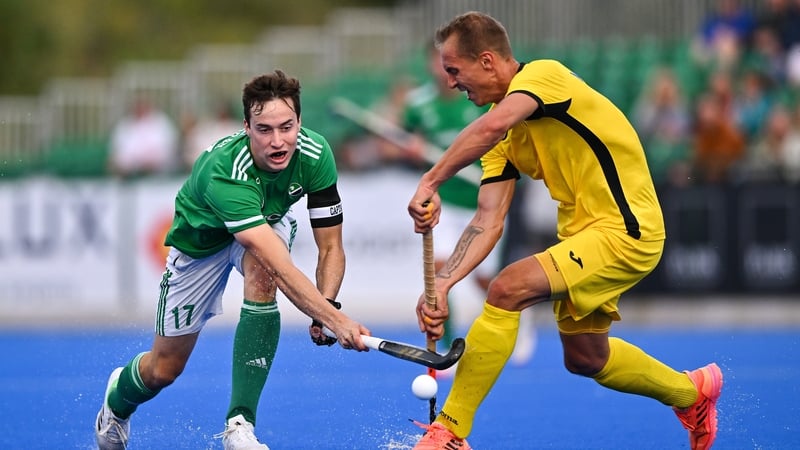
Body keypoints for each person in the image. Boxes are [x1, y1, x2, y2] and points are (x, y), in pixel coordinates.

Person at [406, 12, 723, 450]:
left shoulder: (543, 76)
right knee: (587, 358)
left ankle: (451, 431)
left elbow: (493, 125)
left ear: (487, 60)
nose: (452, 83)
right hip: (585, 238)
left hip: (626, 230)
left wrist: (432, 180)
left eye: (455, 71)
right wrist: (442, 284)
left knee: (506, 288)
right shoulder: (501, 137)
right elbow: (487, 220)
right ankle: (692, 393)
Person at [94, 70, 371, 450]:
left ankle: (239, 424)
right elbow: (280, 264)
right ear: (246, 127)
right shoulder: (226, 171)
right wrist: (334, 319)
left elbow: (331, 246)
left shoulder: (316, 153)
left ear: (300, 122)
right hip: (201, 244)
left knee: (261, 272)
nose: (278, 141)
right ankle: (117, 400)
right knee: (164, 370)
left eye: (287, 127)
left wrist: (327, 304)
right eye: (264, 129)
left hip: (265, 225)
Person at [400, 41, 536, 366]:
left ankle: (522, 318)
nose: (444, 73)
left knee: (483, 281)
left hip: (480, 201)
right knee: (439, 269)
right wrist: (411, 152)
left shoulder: (475, 98)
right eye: (438, 64)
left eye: (450, 66)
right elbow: (405, 146)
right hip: (444, 203)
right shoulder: (417, 105)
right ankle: (447, 349)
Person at [107, 95, 180, 179]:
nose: (140, 111)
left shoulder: (161, 122)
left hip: (160, 169)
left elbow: (169, 146)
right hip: (131, 170)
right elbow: (118, 150)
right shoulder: (124, 125)